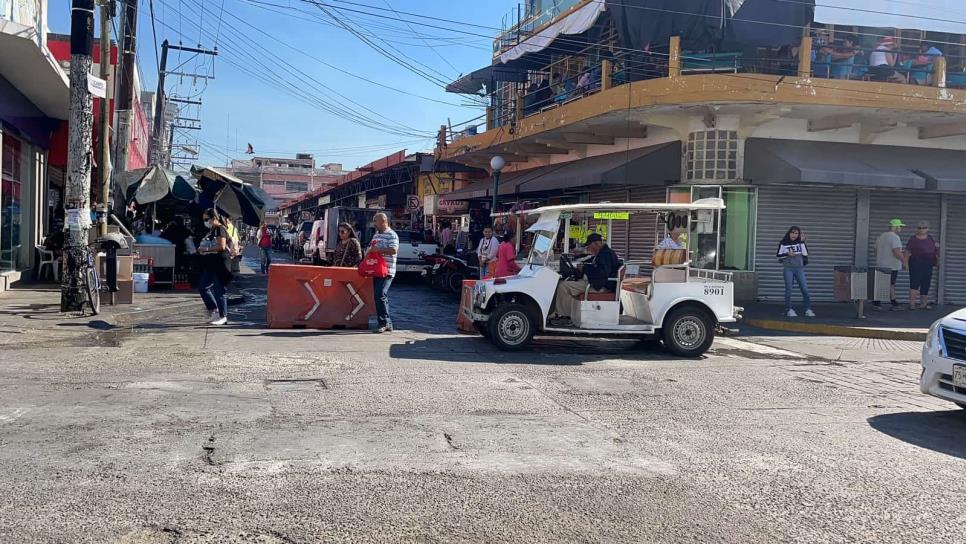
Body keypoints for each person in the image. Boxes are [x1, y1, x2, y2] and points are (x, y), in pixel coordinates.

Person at [551, 233, 621, 322]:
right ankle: (568, 313)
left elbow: (602, 273)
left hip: (599, 286)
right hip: (596, 283)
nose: (588, 248)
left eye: (589, 246)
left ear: (596, 244)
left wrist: (585, 268)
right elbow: (595, 265)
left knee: (563, 286)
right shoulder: (603, 253)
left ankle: (565, 316)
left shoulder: (605, 255)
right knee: (566, 284)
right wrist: (583, 266)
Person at [197, 209, 232, 325]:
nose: (205, 222)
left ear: (214, 218)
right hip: (211, 263)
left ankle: (223, 316)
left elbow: (221, 246)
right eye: (204, 219)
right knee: (203, 286)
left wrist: (206, 249)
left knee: (219, 290)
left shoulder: (220, 229)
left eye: (207, 219)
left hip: (220, 264)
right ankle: (214, 311)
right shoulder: (211, 230)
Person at [368, 212, 399, 333]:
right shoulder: (376, 235)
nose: (374, 223)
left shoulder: (392, 235)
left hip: (387, 270)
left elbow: (393, 250)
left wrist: (379, 250)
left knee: (380, 294)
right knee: (379, 295)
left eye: (376, 221)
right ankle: (386, 322)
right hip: (376, 270)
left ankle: (385, 322)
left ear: (383, 221)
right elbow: (372, 249)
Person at [776, 226, 814, 318]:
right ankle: (788, 309)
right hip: (788, 269)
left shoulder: (800, 243)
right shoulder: (784, 243)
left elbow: (805, 254)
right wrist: (787, 254)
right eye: (792, 233)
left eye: (796, 233)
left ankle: (808, 309)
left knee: (804, 289)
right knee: (788, 290)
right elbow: (778, 255)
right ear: (789, 233)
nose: (794, 235)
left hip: (799, 269)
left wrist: (802, 242)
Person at [874, 218, 908, 310]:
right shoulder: (894, 237)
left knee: (881, 283)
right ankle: (894, 303)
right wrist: (904, 261)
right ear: (895, 227)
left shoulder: (881, 236)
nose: (901, 228)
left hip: (881, 264)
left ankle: (876, 302)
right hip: (891, 266)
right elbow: (896, 252)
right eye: (900, 226)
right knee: (891, 284)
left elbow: (876, 250)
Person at [906, 221, 939, 310]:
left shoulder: (930, 238)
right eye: (919, 228)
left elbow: (935, 250)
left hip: (928, 264)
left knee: (926, 284)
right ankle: (912, 304)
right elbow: (907, 251)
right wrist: (905, 263)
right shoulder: (913, 239)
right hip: (915, 263)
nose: (921, 230)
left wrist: (937, 260)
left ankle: (923, 304)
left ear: (927, 229)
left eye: (923, 228)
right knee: (914, 284)